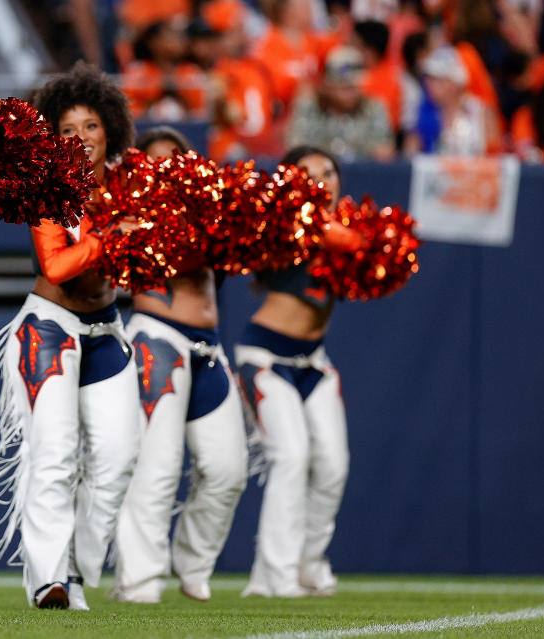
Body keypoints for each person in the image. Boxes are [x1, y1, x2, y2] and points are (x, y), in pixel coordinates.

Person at [0, 61, 140, 611]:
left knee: (120, 455)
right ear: (53, 138)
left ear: (111, 131)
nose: (82, 139)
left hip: (106, 329)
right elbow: (56, 264)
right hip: (48, 327)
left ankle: (75, 568)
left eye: (91, 127)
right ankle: (49, 580)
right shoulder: (49, 187)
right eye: (68, 130)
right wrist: (112, 234)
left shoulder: (129, 187)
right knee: (53, 453)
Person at [112, 126, 248, 604]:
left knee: (229, 467)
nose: (165, 170)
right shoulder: (129, 214)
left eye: (175, 161)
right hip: (157, 336)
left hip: (208, 345)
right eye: (154, 163)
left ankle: (192, 562)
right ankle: (140, 580)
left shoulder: (208, 212)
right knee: (158, 464)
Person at [237, 145, 356, 598]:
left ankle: (309, 564)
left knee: (332, 463)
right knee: (291, 457)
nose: (324, 179)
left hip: (314, 361)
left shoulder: (344, 228)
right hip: (265, 356)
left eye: (330, 170)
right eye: (310, 175)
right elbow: (335, 236)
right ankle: (273, 577)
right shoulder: (287, 220)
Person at [286, 45, 395, 161]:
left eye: (355, 88)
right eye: (345, 88)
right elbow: (296, 149)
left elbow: (385, 151)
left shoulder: (374, 107)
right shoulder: (309, 106)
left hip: (364, 175)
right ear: (328, 87)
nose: (352, 94)